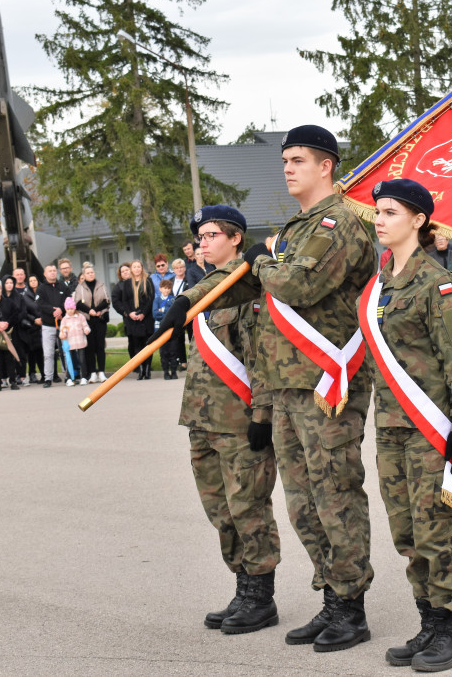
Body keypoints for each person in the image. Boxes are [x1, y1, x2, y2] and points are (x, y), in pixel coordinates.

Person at [161, 125, 377, 652]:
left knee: (334, 495)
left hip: (327, 384)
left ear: (326, 165)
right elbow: (247, 281)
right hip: (286, 386)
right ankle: (331, 599)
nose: (287, 167)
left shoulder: (340, 223)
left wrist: (260, 258)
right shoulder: (298, 228)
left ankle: (351, 607)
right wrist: (190, 301)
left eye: (298, 159)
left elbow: (297, 283)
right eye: (285, 160)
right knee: (304, 504)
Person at [360, 179, 452, 671]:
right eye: (378, 212)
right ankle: (428, 624)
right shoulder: (380, 286)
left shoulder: (438, 284)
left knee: (435, 530)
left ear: (418, 221)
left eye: (390, 212)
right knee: (407, 534)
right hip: (391, 427)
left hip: (431, 430)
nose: (379, 220)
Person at [179, 205, 281, 635]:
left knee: (248, 507)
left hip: (239, 419)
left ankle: (261, 596)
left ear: (236, 238)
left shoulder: (248, 285)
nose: (202, 243)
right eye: (199, 237)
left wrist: (261, 412)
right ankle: (243, 587)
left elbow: (260, 357)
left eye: (210, 235)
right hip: (203, 416)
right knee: (220, 509)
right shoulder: (203, 287)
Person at [73, 262, 109, 383]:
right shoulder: (80, 287)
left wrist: (97, 311)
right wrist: (90, 311)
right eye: (88, 273)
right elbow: (78, 303)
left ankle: (102, 372)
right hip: (87, 320)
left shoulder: (101, 285)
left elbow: (106, 301)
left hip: (100, 319)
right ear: (84, 274)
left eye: (92, 272)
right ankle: (92, 373)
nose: (90, 274)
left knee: (100, 346)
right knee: (90, 348)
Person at [120, 259, 155, 380]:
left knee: (147, 345)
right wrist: (130, 313)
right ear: (131, 269)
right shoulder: (127, 283)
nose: (136, 269)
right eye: (134, 267)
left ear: (142, 268)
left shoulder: (148, 281)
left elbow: (151, 299)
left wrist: (143, 314)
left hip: (145, 318)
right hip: (132, 319)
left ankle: (147, 369)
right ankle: (140, 369)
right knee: (137, 346)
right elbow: (124, 300)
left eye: (138, 267)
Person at [37, 264, 69, 388]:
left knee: (65, 352)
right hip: (48, 325)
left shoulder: (63, 286)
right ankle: (48, 378)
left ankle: (68, 375)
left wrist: (61, 310)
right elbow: (40, 304)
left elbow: (68, 300)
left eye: (54, 271)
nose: (52, 273)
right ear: (45, 274)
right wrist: (53, 311)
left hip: (62, 324)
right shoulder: (41, 288)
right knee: (48, 353)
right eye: (49, 271)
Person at [59, 296, 90, 385]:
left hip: (80, 341)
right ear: (65, 309)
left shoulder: (80, 317)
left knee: (82, 360)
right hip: (70, 343)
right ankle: (69, 378)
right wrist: (62, 334)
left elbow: (85, 325)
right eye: (68, 309)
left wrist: (87, 330)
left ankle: (84, 377)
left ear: (74, 308)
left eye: (71, 309)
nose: (70, 311)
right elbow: (63, 329)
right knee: (70, 360)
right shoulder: (64, 319)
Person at [152, 279, 180, 379]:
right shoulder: (157, 300)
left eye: (168, 288)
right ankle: (166, 372)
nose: (166, 290)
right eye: (164, 288)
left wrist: (162, 311)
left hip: (171, 329)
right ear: (160, 289)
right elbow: (155, 314)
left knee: (173, 351)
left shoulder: (173, 299)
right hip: (160, 330)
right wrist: (166, 313)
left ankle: (174, 371)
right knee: (163, 352)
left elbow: (174, 314)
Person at [22, 274, 44, 383]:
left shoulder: (43, 293)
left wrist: (43, 318)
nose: (33, 282)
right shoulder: (25, 296)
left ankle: (50, 374)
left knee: (49, 352)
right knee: (35, 352)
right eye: (30, 281)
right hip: (33, 326)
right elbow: (24, 311)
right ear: (28, 283)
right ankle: (34, 373)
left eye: (34, 280)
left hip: (45, 324)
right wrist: (34, 319)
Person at [170, 259, 190, 370]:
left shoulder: (188, 279)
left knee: (192, 337)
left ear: (185, 268)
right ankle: (183, 362)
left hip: (189, 311)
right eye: (177, 268)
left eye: (181, 267)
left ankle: (193, 361)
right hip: (176, 313)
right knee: (179, 338)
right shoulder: (171, 281)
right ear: (174, 270)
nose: (179, 269)